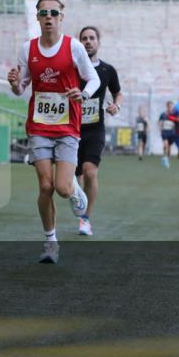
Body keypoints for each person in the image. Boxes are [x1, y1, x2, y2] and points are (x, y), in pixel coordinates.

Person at [8, 0, 100, 264]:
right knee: (45, 186)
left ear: (61, 16)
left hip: (68, 125)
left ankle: (74, 190)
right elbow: (21, 88)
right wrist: (14, 83)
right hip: (39, 126)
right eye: (43, 13)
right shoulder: (27, 49)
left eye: (53, 13)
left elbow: (93, 78)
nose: (48, 17)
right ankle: (50, 242)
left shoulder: (74, 47)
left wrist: (83, 94)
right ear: (37, 17)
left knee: (61, 187)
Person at [75, 26, 123, 237]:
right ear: (79, 43)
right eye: (84, 38)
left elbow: (118, 93)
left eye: (92, 38)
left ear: (98, 42)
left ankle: (85, 219)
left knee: (90, 171)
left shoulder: (107, 70)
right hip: (71, 130)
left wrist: (116, 105)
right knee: (74, 179)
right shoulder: (72, 68)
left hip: (95, 129)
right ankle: (79, 203)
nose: (88, 41)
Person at [158, 100, 176, 168]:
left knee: (169, 147)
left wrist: (175, 126)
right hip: (165, 132)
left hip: (172, 133)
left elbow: (176, 123)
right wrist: (160, 129)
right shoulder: (163, 114)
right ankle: (165, 159)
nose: (170, 107)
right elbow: (160, 122)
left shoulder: (174, 115)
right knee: (166, 145)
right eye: (169, 106)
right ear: (167, 106)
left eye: (172, 106)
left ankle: (166, 158)